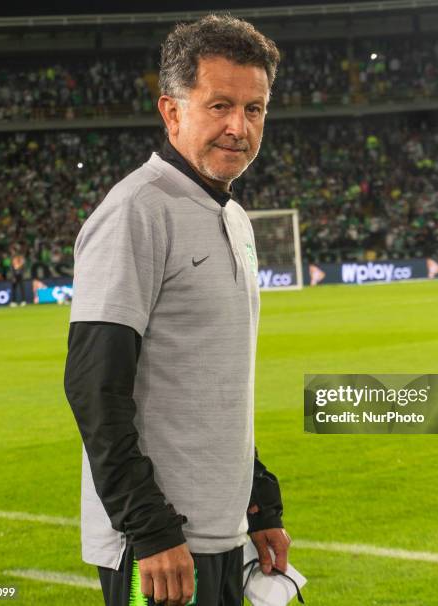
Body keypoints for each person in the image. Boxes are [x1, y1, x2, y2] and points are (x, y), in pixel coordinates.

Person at [64, 14, 291, 606]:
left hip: (224, 535)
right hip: (159, 549)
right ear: (171, 111)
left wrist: (258, 497)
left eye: (254, 108)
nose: (238, 127)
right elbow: (93, 388)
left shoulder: (234, 217)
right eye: (219, 105)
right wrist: (151, 528)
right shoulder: (137, 211)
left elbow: (211, 382)